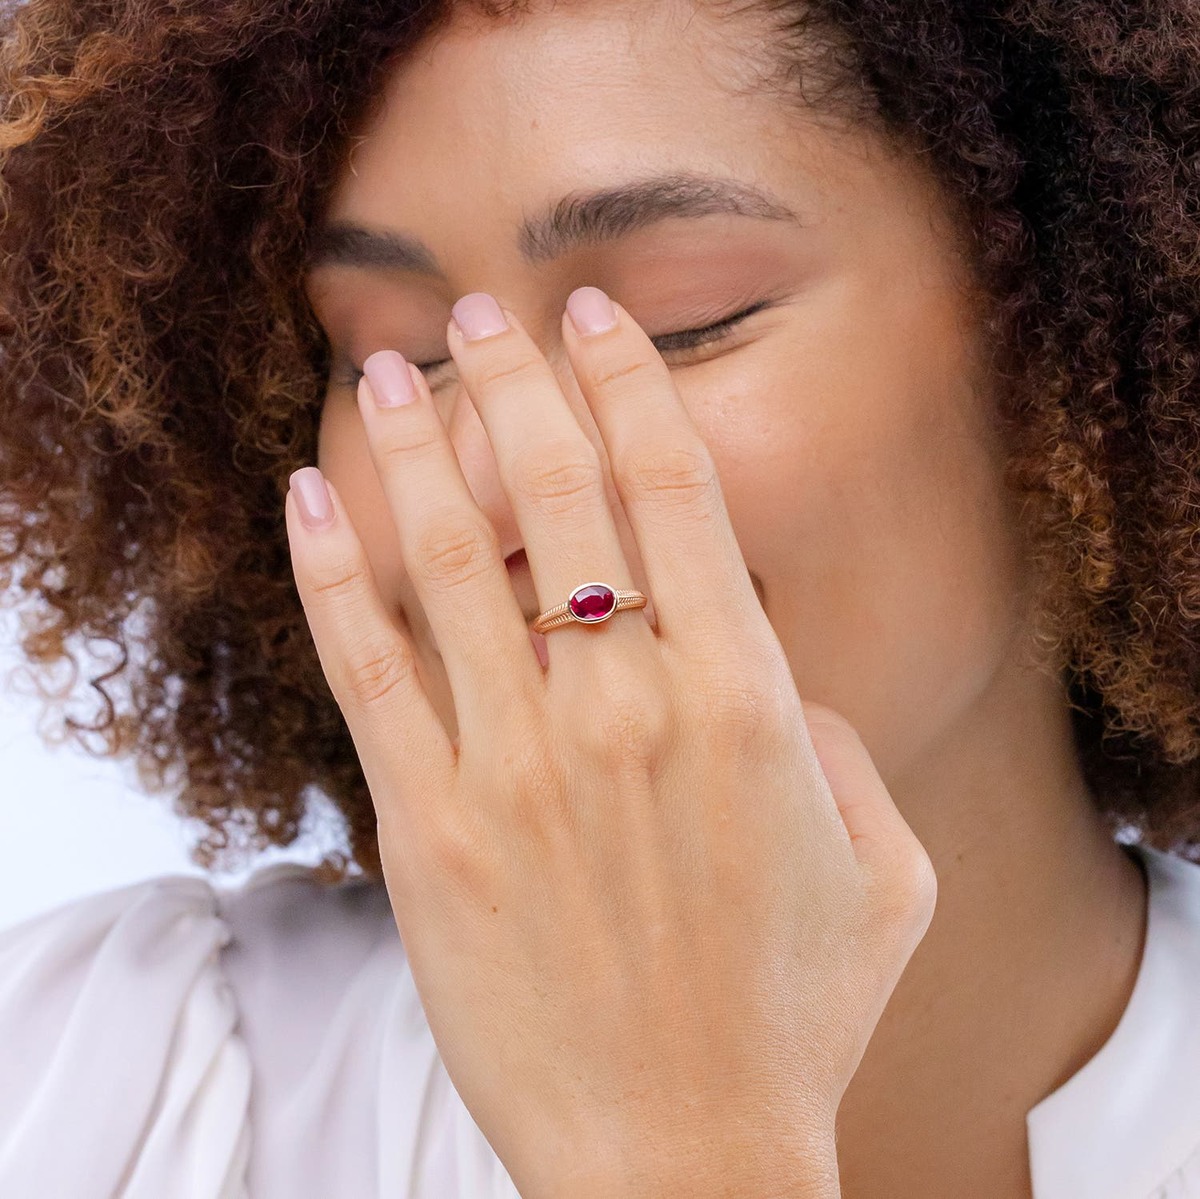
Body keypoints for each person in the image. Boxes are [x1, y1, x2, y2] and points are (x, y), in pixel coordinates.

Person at [0, 0, 1197, 1195]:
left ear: (1059, 356)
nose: (500, 470)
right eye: (392, 359)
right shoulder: (90, 1085)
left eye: (681, 323)